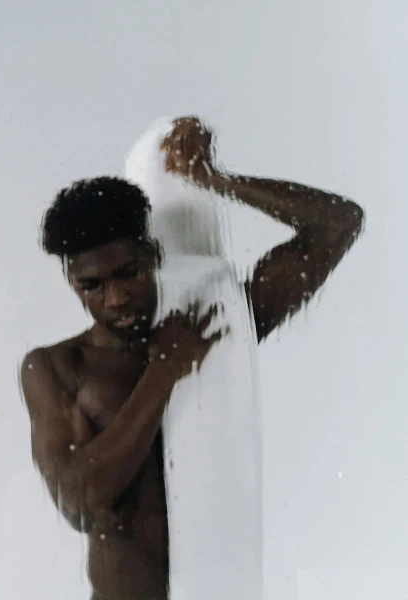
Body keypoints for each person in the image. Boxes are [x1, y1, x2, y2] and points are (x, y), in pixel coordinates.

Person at [20, 116, 364, 600]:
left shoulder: (212, 326)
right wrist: (164, 371)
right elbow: (81, 504)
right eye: (91, 286)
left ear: (153, 254)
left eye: (128, 273)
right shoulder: (55, 368)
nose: (115, 298)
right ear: (71, 282)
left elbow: (337, 224)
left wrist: (213, 181)